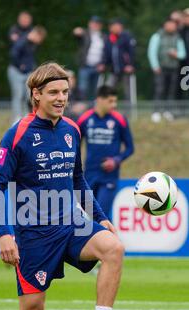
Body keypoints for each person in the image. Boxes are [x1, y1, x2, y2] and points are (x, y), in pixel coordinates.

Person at [0, 62, 133, 310]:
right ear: (36, 94)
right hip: (33, 234)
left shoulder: (71, 130)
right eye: (53, 92)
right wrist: (4, 232)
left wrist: (100, 218)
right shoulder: (17, 133)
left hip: (69, 222)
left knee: (114, 248)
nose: (61, 99)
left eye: (65, 93)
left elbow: (79, 182)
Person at [77, 85, 134, 220]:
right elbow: (74, 144)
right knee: (87, 216)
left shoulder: (119, 120)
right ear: (99, 100)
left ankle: (107, 240)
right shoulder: (85, 119)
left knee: (102, 217)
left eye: (115, 101)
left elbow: (130, 148)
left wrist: (116, 160)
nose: (114, 105)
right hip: (89, 175)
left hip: (109, 177)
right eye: (110, 101)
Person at [8, 17, 46, 123]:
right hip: (16, 71)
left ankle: (26, 116)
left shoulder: (33, 44)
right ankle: (16, 118)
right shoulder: (22, 40)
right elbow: (13, 54)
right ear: (36, 35)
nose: (39, 42)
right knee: (18, 94)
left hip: (28, 72)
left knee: (28, 95)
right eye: (39, 39)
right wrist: (20, 65)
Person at [148, 18, 186, 123]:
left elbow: (183, 54)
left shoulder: (178, 38)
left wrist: (176, 54)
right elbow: (152, 52)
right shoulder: (157, 36)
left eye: (173, 25)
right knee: (159, 89)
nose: (172, 27)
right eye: (170, 24)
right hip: (160, 68)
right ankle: (156, 112)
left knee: (171, 90)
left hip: (173, 68)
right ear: (165, 25)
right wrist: (155, 66)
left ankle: (167, 111)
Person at [99, 18, 136, 101]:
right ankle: (108, 109)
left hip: (126, 69)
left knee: (128, 91)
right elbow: (106, 54)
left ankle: (128, 111)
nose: (114, 28)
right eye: (112, 26)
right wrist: (103, 64)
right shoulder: (109, 39)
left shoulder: (127, 37)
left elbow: (132, 52)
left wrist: (130, 65)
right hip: (113, 70)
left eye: (116, 26)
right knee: (108, 89)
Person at [73, 16, 105, 100]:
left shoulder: (104, 37)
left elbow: (106, 52)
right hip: (85, 66)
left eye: (97, 24)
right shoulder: (85, 34)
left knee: (94, 90)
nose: (95, 25)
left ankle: (92, 110)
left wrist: (103, 64)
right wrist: (77, 31)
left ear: (100, 25)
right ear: (89, 24)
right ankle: (80, 110)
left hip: (97, 68)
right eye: (93, 23)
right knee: (82, 89)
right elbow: (77, 34)